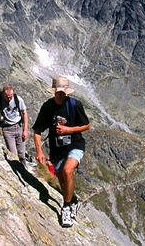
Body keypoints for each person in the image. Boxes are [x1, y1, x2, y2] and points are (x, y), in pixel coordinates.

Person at [33, 76, 91, 228]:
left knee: (68, 170)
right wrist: (39, 151)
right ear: (53, 92)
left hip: (75, 144)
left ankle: (66, 207)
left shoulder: (74, 105)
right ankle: (73, 201)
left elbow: (87, 125)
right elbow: (37, 130)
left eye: (62, 93)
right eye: (57, 93)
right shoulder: (47, 107)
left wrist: (68, 129)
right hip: (57, 149)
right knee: (62, 180)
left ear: (67, 93)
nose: (60, 96)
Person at [0, 84, 30, 166]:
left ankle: (24, 170)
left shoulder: (18, 99)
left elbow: (24, 113)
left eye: (11, 96)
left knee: (22, 154)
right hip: (7, 130)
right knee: (13, 154)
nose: (9, 99)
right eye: (7, 97)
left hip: (19, 127)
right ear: (3, 94)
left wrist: (25, 130)